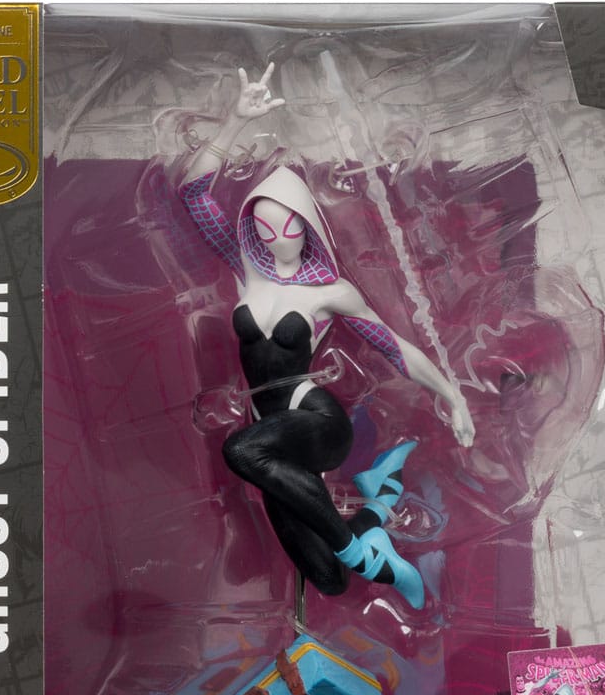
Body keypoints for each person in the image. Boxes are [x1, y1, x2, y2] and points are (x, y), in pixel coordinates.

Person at [179, 64, 473, 609]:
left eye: (290, 227)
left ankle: (365, 557)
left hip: (314, 422)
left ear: (309, 225)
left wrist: (451, 394)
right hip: (271, 437)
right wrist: (235, 121)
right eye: (265, 228)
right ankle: (377, 503)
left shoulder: (329, 291)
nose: (278, 239)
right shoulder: (247, 271)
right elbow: (195, 195)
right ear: (251, 227)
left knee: (238, 449)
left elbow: (393, 346)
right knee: (326, 579)